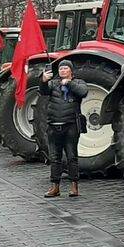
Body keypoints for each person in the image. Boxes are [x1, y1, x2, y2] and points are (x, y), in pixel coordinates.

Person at [39, 60, 87, 198]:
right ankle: (55, 187)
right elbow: (43, 91)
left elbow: (83, 92)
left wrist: (70, 83)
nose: (62, 71)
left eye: (65, 68)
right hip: (53, 125)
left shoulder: (78, 83)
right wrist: (43, 80)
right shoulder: (53, 83)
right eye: (60, 69)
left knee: (72, 157)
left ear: (71, 71)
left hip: (70, 125)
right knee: (55, 158)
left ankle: (74, 186)